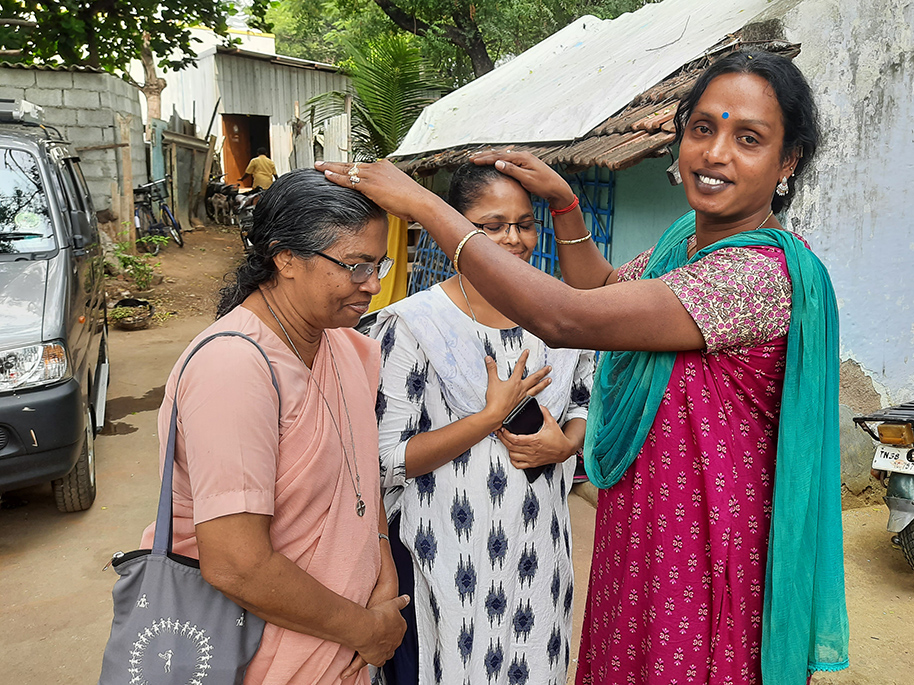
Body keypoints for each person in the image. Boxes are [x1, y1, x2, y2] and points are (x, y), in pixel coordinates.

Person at [317, 50, 848, 685]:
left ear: (787, 163)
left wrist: (431, 212)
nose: (714, 153)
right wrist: (567, 204)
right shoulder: (684, 246)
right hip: (645, 521)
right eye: (702, 128)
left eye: (749, 138)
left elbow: (569, 317)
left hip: (705, 538)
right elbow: (598, 290)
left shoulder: (753, 275)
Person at [139, 168, 408, 684]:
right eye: (354, 265)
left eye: (378, 263)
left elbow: (360, 475)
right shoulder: (233, 370)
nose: (373, 284)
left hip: (348, 649)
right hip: (266, 660)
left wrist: (381, 571)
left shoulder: (347, 347)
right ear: (285, 257)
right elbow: (238, 564)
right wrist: (363, 629)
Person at [368, 162, 595, 685]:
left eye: (523, 223)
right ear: (456, 232)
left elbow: (584, 402)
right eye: (490, 226)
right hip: (446, 552)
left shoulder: (562, 316)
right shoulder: (416, 325)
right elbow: (389, 460)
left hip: (540, 550)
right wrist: (488, 418)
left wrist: (565, 447)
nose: (512, 239)